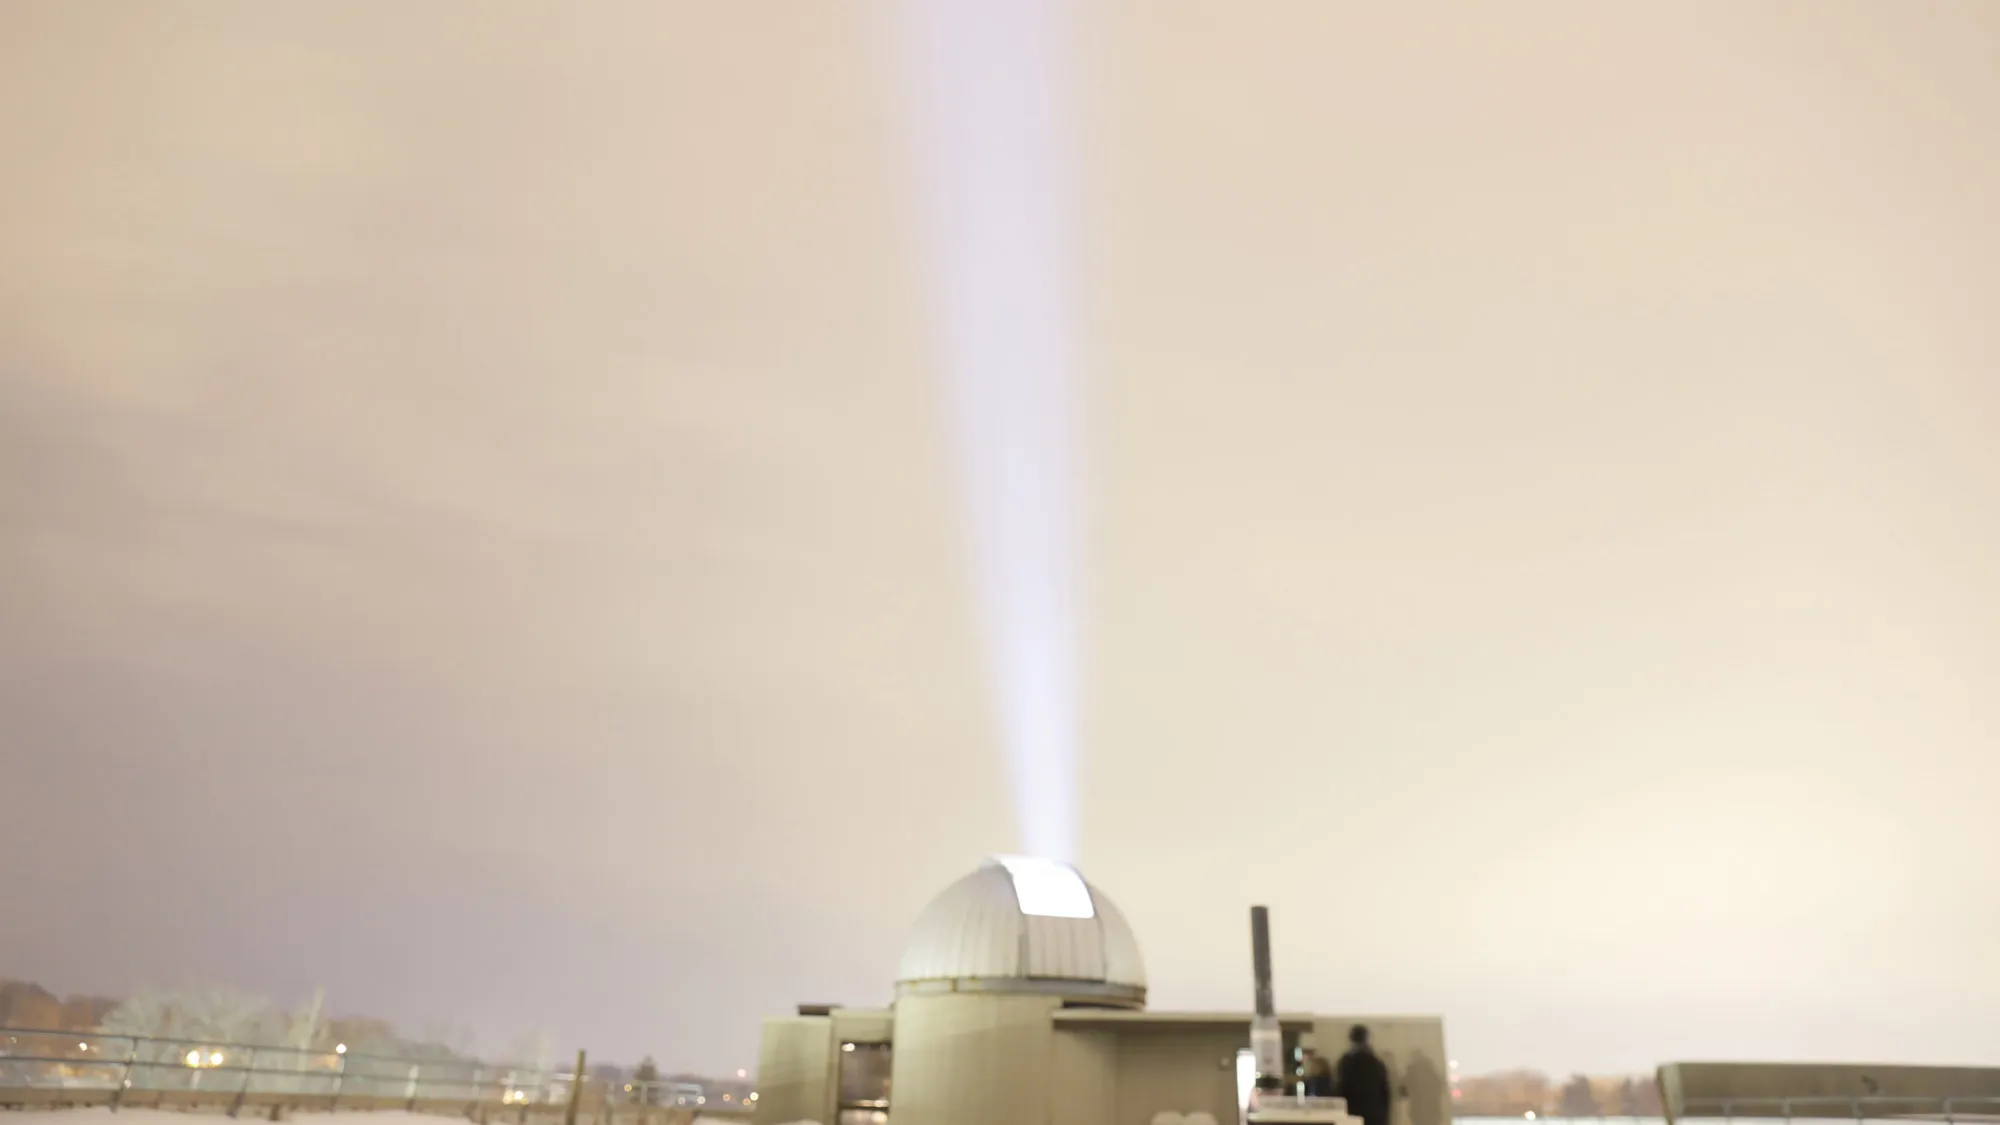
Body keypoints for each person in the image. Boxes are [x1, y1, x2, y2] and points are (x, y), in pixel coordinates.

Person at [1335, 1025, 1392, 1125]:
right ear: (1367, 1039)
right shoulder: (1376, 1062)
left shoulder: (1346, 1062)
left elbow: (1341, 1090)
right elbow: (1385, 1093)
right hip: (1375, 1116)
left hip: (1352, 1115)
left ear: (1351, 1040)